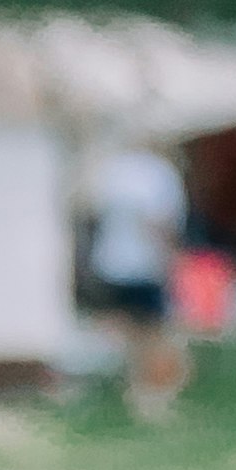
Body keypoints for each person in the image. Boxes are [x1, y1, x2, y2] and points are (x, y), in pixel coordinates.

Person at [84, 137, 194, 420]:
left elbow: (92, 213)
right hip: (145, 265)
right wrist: (171, 260)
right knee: (157, 332)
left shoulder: (112, 169)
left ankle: (131, 390)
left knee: (128, 333)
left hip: (111, 263)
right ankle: (153, 396)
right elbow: (159, 222)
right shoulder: (159, 173)